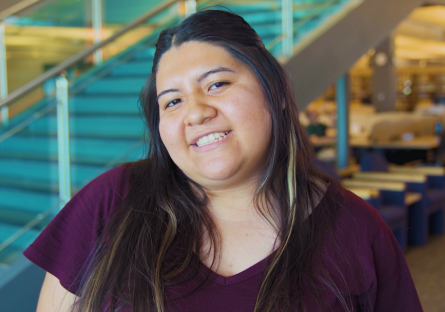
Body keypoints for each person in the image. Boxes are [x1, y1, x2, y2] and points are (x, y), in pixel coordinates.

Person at [25, 10, 423, 312]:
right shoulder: (112, 201)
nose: (195, 112)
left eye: (217, 84)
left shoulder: (357, 231)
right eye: (173, 101)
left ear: (276, 92)